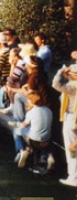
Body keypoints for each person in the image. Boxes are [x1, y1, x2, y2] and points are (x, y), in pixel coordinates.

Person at [9, 90, 53, 169]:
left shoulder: (31, 112)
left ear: (31, 101)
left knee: (16, 131)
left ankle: (22, 150)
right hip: (47, 139)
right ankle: (50, 157)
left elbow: (23, 125)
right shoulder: (49, 111)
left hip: (34, 140)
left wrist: (14, 124)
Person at [52, 53, 77, 187]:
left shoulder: (72, 87)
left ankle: (73, 177)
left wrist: (60, 72)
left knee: (71, 150)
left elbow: (55, 84)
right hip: (73, 118)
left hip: (72, 119)